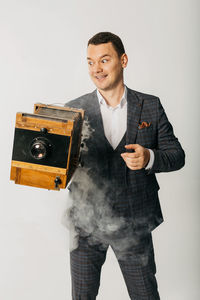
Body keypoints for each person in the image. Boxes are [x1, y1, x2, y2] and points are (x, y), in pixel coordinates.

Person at [65, 32, 185, 300]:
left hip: (134, 220)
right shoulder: (73, 110)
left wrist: (149, 158)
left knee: (145, 296)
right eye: (90, 62)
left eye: (104, 60)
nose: (96, 69)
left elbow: (177, 155)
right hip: (86, 224)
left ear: (123, 60)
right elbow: (60, 166)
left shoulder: (150, 106)